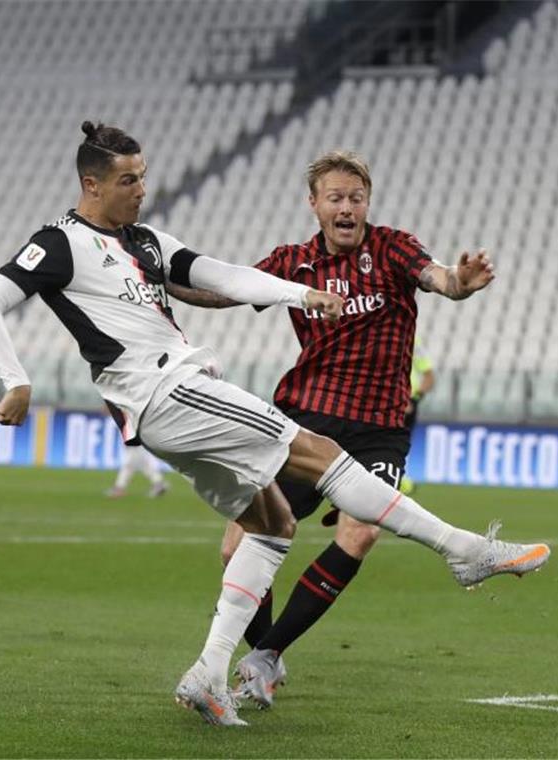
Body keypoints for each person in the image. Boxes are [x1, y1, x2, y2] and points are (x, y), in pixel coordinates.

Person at [0, 122, 550, 726]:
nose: (141, 189)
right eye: (127, 180)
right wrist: (15, 379)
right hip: (167, 387)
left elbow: (221, 275)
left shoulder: (144, 241)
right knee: (317, 451)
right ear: (91, 184)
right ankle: (465, 550)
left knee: (268, 528)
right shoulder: (60, 242)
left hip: (180, 406)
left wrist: (300, 295)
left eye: (142, 176)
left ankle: (210, 674)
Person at [197, 151, 496, 709]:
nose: (347, 207)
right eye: (335, 197)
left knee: (360, 532)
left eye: (356, 198)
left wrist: (461, 281)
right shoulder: (293, 264)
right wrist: (155, 283)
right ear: (314, 204)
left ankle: (261, 658)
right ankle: (268, 655)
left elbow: (439, 279)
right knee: (236, 544)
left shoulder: (392, 248)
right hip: (305, 421)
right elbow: (224, 291)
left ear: (367, 203)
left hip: (378, 428)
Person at [399, 335, 435, 494]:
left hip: (406, 404)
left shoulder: (412, 340)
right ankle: (398, 480)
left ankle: (398, 479)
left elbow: (429, 376)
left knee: (399, 445)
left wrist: (414, 400)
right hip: (383, 401)